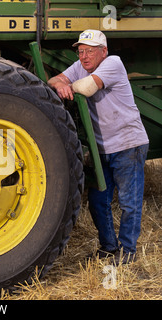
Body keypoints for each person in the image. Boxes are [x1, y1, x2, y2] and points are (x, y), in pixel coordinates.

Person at [48, 29, 149, 264]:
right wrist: (60, 83)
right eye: (81, 51)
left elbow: (86, 88)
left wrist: (67, 86)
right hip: (102, 148)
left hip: (128, 144)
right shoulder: (81, 66)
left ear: (103, 51)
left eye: (90, 51)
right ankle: (108, 246)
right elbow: (54, 80)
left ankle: (128, 252)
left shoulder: (113, 63)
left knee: (128, 202)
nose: (84, 57)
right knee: (97, 200)